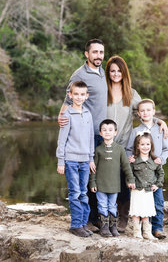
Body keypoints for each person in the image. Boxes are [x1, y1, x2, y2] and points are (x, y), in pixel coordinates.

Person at [104, 55, 168, 232]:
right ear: (108, 73)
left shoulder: (131, 94)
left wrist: (159, 121)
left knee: (125, 180)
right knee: (104, 181)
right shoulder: (103, 91)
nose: (116, 74)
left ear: (124, 73)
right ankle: (100, 218)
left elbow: (144, 111)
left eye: (119, 71)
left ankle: (123, 218)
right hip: (105, 142)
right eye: (112, 71)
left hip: (125, 144)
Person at [58, 39, 107, 228]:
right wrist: (61, 118)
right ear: (86, 54)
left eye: (101, 52)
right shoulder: (80, 74)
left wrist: (157, 120)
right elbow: (67, 99)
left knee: (96, 178)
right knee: (85, 181)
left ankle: (93, 218)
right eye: (95, 52)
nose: (98, 56)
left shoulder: (103, 72)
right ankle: (85, 221)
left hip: (102, 135)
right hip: (86, 135)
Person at [56, 81, 96, 238]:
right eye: (76, 94)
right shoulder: (67, 115)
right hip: (71, 160)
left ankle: (83, 224)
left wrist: (91, 158)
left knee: (84, 193)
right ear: (70, 95)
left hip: (85, 161)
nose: (79, 97)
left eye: (82, 94)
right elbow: (62, 139)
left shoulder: (87, 113)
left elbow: (91, 137)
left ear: (87, 96)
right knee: (75, 193)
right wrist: (61, 161)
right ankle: (75, 225)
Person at [126, 99, 168, 239]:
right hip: (140, 174)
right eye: (142, 110)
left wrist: (161, 159)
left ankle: (157, 229)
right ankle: (144, 229)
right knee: (142, 202)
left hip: (154, 171)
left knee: (157, 201)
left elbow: (166, 149)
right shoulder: (136, 131)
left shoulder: (160, 128)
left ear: (154, 111)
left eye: (148, 110)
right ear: (138, 113)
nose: (146, 113)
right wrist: (130, 158)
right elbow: (128, 149)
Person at [89, 119, 136, 237]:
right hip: (100, 184)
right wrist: (93, 183)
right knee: (102, 205)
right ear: (100, 133)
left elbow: (126, 166)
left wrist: (130, 180)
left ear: (116, 132)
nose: (107, 132)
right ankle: (104, 227)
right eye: (104, 130)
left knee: (112, 205)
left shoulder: (119, 149)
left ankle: (112, 226)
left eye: (110, 130)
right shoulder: (98, 150)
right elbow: (93, 169)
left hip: (114, 185)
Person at [129, 132, 164, 240]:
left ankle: (147, 232)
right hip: (137, 189)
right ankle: (136, 232)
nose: (145, 147)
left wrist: (157, 185)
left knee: (147, 211)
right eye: (142, 144)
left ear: (151, 145)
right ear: (138, 146)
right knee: (136, 211)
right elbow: (129, 173)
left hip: (149, 190)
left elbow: (161, 173)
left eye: (148, 144)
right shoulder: (134, 161)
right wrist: (130, 182)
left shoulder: (155, 161)